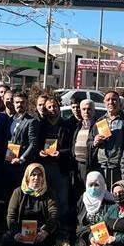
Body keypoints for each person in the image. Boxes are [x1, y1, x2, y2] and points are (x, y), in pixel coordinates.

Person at [69, 171, 124, 246]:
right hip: (85, 233)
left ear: (103, 185)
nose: (93, 188)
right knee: (80, 245)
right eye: (91, 185)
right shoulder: (83, 200)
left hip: (104, 234)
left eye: (97, 185)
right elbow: (78, 223)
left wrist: (99, 236)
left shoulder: (109, 201)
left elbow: (112, 224)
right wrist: (90, 238)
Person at [0, 163, 58, 246]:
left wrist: (45, 232)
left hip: (40, 233)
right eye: (33, 174)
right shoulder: (18, 192)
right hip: (20, 232)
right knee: (9, 243)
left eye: (40, 175)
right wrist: (16, 233)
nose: (36, 178)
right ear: (27, 176)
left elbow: (53, 214)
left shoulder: (49, 192)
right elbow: (11, 216)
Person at [36, 96, 73, 237]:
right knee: (44, 198)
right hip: (44, 166)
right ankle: (46, 228)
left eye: (55, 106)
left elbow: (71, 148)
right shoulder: (41, 125)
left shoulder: (67, 125)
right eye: (49, 107)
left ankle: (61, 229)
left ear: (59, 107)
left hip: (60, 167)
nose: (52, 110)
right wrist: (39, 151)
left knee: (61, 199)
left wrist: (61, 154)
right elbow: (36, 145)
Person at [92, 91, 124, 188]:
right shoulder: (99, 121)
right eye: (108, 100)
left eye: (114, 99)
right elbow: (90, 142)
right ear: (104, 102)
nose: (111, 102)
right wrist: (95, 141)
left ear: (119, 102)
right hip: (102, 165)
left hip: (119, 166)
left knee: (118, 193)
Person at [5, 92, 40, 187]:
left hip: (22, 164)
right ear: (13, 104)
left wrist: (21, 158)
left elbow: (33, 144)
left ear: (26, 104)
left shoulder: (31, 121)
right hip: (8, 162)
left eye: (22, 102)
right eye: (17, 102)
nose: (19, 105)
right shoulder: (10, 120)